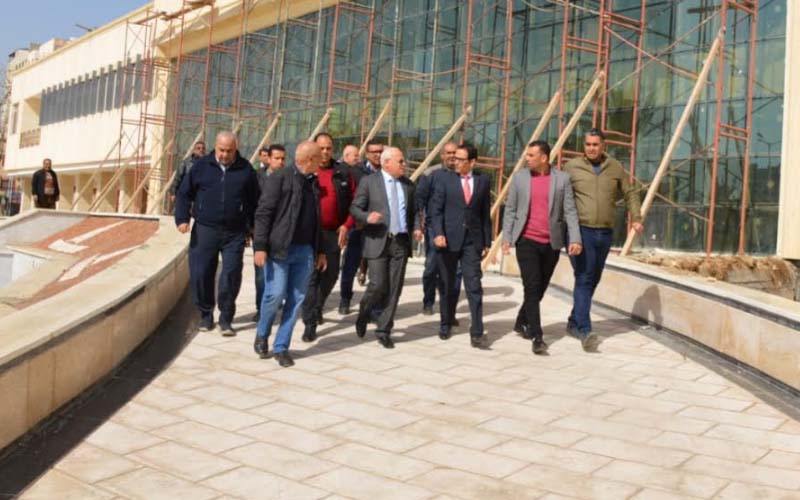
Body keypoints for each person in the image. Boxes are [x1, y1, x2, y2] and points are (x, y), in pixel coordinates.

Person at [563, 128, 643, 351]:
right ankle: (585, 330)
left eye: (595, 144)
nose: (591, 148)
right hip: (580, 231)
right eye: (588, 144)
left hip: (605, 232)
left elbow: (630, 192)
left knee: (593, 278)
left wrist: (636, 217)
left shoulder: (615, 167)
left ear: (603, 145)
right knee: (584, 276)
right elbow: (561, 197)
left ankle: (573, 321)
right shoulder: (571, 167)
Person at [502, 140, 582, 355]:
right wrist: (507, 237)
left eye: (531, 155)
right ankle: (537, 336)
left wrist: (575, 238)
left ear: (544, 158)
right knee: (532, 285)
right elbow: (510, 210)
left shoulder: (562, 179)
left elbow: (570, 211)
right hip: (526, 240)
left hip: (551, 243)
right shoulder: (519, 178)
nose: (526, 158)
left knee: (540, 288)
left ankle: (521, 320)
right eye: (527, 155)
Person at [175, 132, 259, 335]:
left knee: (231, 274)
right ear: (215, 146)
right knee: (201, 272)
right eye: (222, 150)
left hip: (234, 232)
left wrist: (253, 227)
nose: (225, 155)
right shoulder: (201, 166)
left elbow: (254, 201)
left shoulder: (246, 169)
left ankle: (226, 318)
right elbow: (184, 193)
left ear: (236, 149)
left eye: (230, 151)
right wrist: (182, 218)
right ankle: (205, 315)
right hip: (205, 229)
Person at [253, 141, 326, 367]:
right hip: (280, 249)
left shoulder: (313, 183)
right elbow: (264, 212)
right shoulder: (280, 178)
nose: (322, 160)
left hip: (305, 251)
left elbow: (317, 220)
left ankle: (281, 347)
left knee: (296, 300)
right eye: (319, 157)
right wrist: (260, 246)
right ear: (310, 159)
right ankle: (262, 333)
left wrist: (320, 250)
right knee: (274, 295)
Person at [351, 147, 422, 348]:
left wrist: (417, 227)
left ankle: (384, 329)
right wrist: (367, 217)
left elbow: (415, 211)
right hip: (377, 239)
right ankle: (364, 312)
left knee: (395, 288)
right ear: (386, 163)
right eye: (400, 161)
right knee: (378, 285)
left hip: (400, 242)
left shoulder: (408, 185)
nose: (404, 164)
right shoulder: (369, 182)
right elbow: (355, 208)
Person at [430, 143, 492, 348]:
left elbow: (485, 214)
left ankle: (477, 331)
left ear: (472, 162)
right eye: (454, 158)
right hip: (448, 240)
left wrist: (487, 241)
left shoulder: (483, 181)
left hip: (472, 242)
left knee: (474, 286)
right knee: (447, 284)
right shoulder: (444, 180)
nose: (455, 161)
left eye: (460, 159)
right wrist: (438, 233)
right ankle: (445, 323)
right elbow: (436, 211)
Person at [301, 132, 355, 342]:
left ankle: (317, 305)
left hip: (333, 233)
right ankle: (310, 322)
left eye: (328, 148)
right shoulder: (306, 171)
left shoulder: (343, 172)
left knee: (331, 274)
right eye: (321, 148)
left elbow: (355, 202)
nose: (324, 152)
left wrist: (346, 225)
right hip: (309, 233)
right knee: (312, 277)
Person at [415, 141, 462, 318]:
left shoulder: (463, 174)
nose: (452, 156)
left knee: (456, 271)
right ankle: (428, 301)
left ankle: (449, 309)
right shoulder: (431, 174)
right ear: (442, 155)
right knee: (431, 267)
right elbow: (419, 202)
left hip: (457, 230)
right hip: (434, 229)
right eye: (448, 153)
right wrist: (418, 226)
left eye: (455, 153)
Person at [338, 139, 383, 314]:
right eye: (374, 152)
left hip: (379, 227)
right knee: (350, 264)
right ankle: (345, 299)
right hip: (358, 225)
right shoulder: (356, 171)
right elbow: (351, 198)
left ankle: (374, 306)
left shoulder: (387, 171)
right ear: (367, 154)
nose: (378, 154)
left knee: (377, 268)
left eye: (380, 151)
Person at [252, 144, 286, 322]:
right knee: (261, 275)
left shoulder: (290, 178)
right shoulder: (257, 178)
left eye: (283, 158)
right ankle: (261, 309)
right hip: (262, 232)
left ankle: (277, 301)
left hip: (282, 234)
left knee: (281, 272)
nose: (280, 162)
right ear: (268, 159)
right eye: (276, 158)